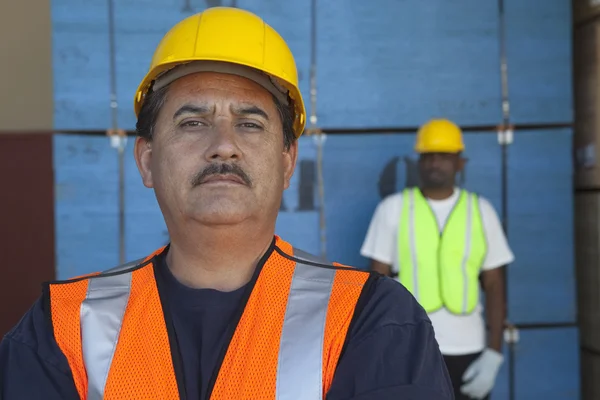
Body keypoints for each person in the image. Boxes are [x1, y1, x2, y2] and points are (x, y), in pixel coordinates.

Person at [0, 7, 454, 400]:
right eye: (193, 122)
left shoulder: (370, 319)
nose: (224, 146)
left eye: (250, 124)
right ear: (148, 160)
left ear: (287, 160)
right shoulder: (63, 327)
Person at [360, 118, 515, 400]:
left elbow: (494, 283)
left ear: (460, 163)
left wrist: (494, 353)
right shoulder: (392, 209)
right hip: (412, 347)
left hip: (468, 349)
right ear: (419, 161)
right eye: (428, 156)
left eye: (444, 156)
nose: (435, 164)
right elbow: (376, 284)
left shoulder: (481, 211)